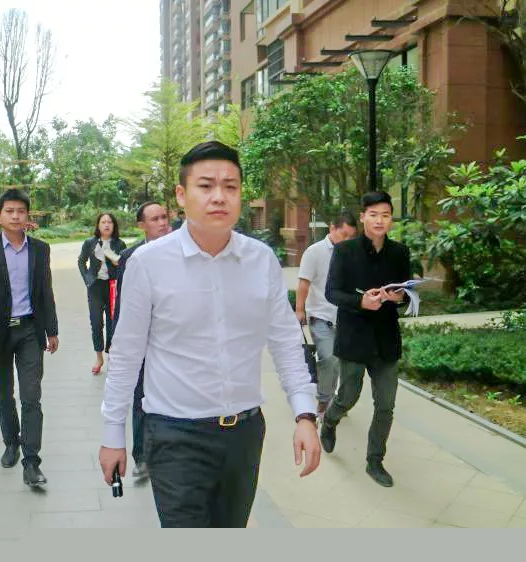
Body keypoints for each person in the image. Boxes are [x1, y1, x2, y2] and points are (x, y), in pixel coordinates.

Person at [99, 141, 321, 528]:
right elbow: (127, 354)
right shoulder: (148, 264)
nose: (219, 196)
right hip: (175, 435)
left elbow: (286, 342)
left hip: (244, 435)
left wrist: (305, 415)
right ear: (181, 195)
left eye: (230, 186)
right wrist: (113, 433)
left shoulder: (260, 260)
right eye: (206, 186)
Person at [0, 188, 59, 488]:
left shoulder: (40, 249)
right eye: (9, 211)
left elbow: (45, 291)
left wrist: (52, 330)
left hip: (30, 330)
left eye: (21, 211)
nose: (16, 216)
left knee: (31, 396)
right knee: (4, 393)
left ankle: (31, 461)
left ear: (28, 216)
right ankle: (11, 442)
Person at [320, 190, 411, 488]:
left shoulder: (399, 252)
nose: (379, 220)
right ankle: (330, 420)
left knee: (385, 404)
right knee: (348, 396)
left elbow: (407, 292)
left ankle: (375, 461)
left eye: (385, 215)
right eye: (373, 215)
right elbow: (332, 292)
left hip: (386, 340)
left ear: (391, 219)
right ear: (363, 217)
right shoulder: (345, 251)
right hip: (354, 338)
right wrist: (361, 302)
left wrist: (399, 298)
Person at [112, 201, 171, 479]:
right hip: (142, 339)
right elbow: (122, 302)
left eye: (164, 217)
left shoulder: (180, 252)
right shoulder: (131, 256)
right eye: (155, 219)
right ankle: (142, 456)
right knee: (140, 397)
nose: (162, 223)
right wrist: (117, 341)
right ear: (141, 225)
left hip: (171, 340)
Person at [295, 212, 358, 419]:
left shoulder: (351, 254)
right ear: (332, 228)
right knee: (328, 357)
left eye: (351, 236)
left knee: (339, 361)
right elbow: (304, 282)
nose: (347, 240)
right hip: (320, 315)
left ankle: (334, 400)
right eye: (344, 235)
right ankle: (324, 402)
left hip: (345, 316)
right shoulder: (314, 252)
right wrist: (299, 310)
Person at [77, 213, 127, 375]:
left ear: (114, 225)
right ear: (98, 225)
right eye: (103, 222)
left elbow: (125, 265)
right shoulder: (90, 243)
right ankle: (99, 357)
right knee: (96, 322)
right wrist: (87, 279)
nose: (106, 225)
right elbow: (81, 261)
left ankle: (112, 356)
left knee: (113, 323)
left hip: (112, 287)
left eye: (109, 222)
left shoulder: (119, 244)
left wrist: (116, 261)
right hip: (95, 287)